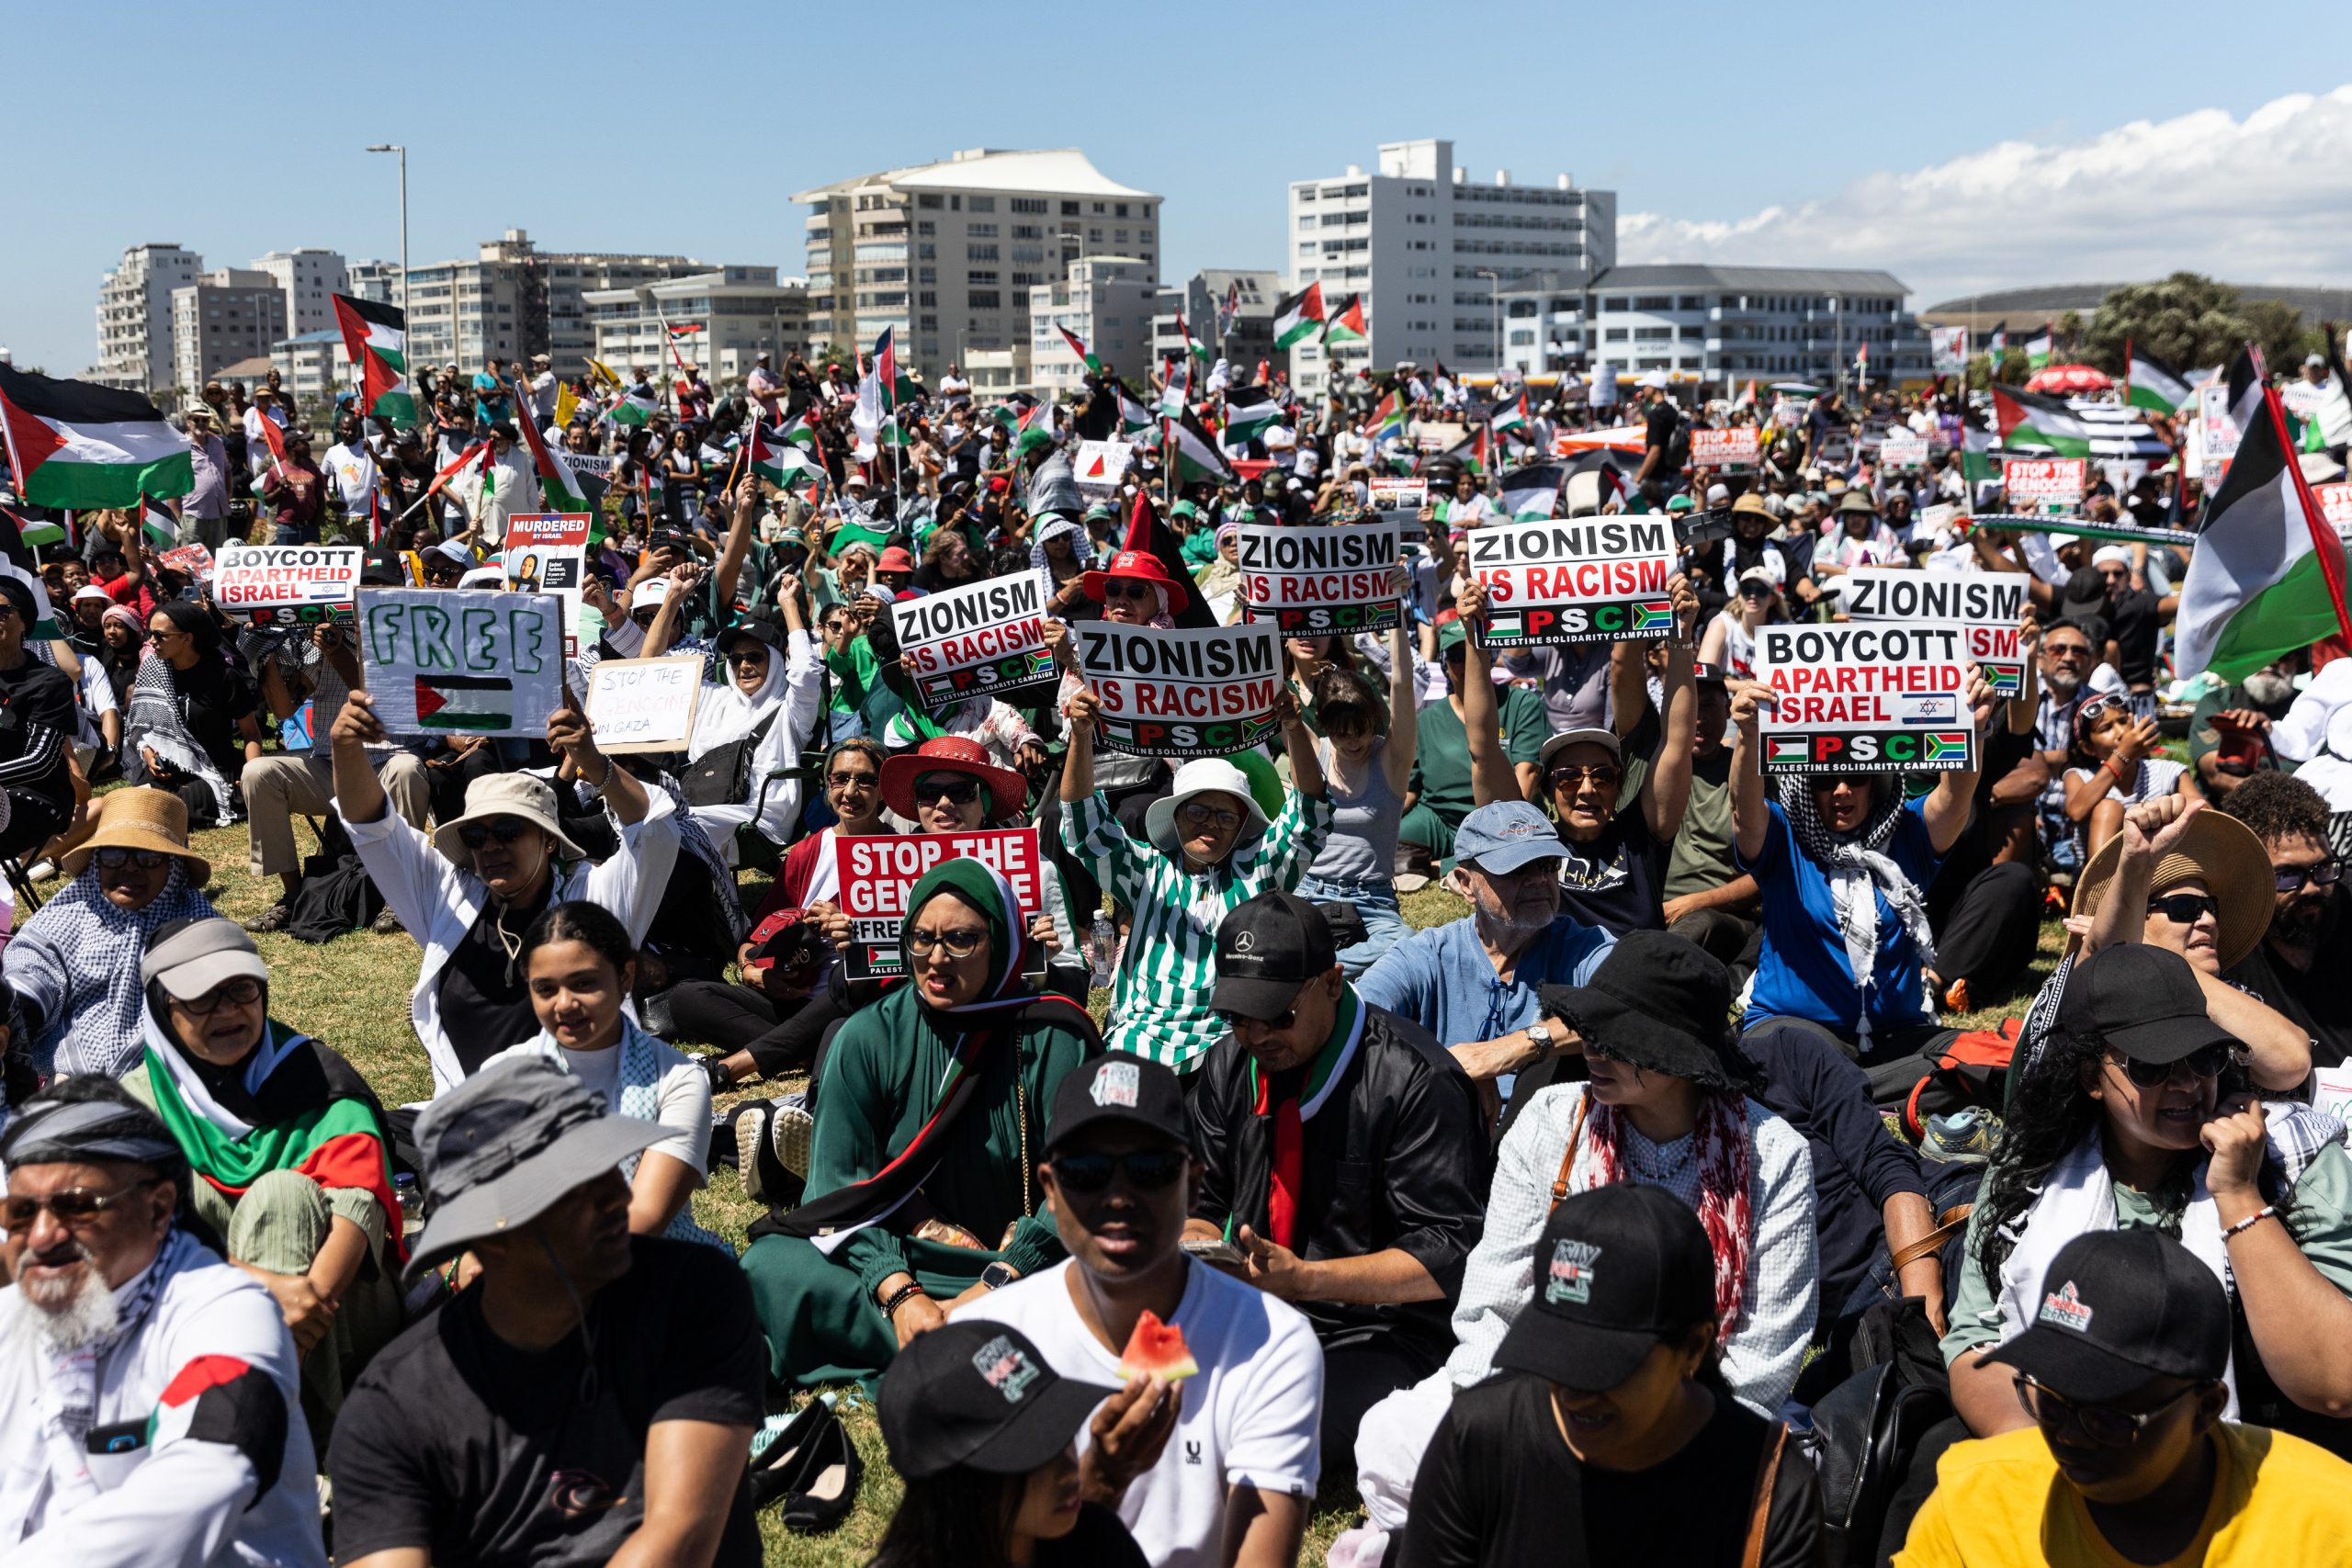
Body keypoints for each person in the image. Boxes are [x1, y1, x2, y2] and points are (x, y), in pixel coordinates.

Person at [328, 1056, 763, 1568]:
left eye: (606, 1168)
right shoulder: (394, 1406)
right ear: (491, 1237)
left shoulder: (692, 1296)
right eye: (575, 1187)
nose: (616, 1198)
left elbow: (680, 1539)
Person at [1944, 943, 2352, 1456]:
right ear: (2093, 1078)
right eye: (2151, 1066)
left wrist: (2240, 1197)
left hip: (2263, 1461)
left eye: (2204, 1056)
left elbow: (2338, 1386)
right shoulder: (2030, 1172)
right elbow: (1977, 1343)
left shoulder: (2293, 1159)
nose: (2186, 1084)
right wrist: (2059, 1457)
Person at [739, 860, 1100, 1390]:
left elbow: (1082, 1179)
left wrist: (1004, 1276)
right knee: (770, 1267)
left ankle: (954, 1340)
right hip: (909, 1258)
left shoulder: (1055, 1036)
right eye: (921, 938)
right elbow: (838, 1187)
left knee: (1113, 1279)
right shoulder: (867, 1037)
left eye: (960, 940)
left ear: (1000, 941)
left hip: (1028, 1265)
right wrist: (901, 1292)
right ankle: (961, 1341)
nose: (935, 958)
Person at [960, 1053, 1324, 1568]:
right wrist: (1098, 1487)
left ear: (1194, 1184)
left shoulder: (1271, 1344)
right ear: (1050, 1189)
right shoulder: (986, 1339)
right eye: (1086, 1172)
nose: (1119, 1197)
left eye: (1150, 1170)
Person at [1185, 891, 1487, 1471]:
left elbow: (1447, 1254)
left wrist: (1304, 1281)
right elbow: (1203, 1200)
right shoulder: (1230, 1065)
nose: (1256, 1034)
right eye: (1237, 1016)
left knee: (1267, 1429)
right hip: (1253, 1305)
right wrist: (1197, 1248)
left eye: (1277, 1014)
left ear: (1331, 981)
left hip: (1380, 1330)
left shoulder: (1416, 1082)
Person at [1399, 1186, 1825, 1568]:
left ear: (1693, 1349)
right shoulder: (1477, 1439)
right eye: (1555, 1352)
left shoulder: (1769, 1491)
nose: (1573, 1393)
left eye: (1604, 1368)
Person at [0, 1079, 328, 1565]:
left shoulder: (225, 1311)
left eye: (75, 1206)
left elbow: (213, 1468)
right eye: (22, 1212)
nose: (43, 1236)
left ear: (157, 1208)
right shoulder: (11, 1321)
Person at [1898, 1230, 2352, 1567]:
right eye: (2051, 1404)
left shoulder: (2328, 1523)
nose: (2068, 1437)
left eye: (2108, 1418)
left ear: (2207, 1407)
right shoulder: (1974, 1504)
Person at [117, 917, 403, 1436]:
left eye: (241, 989)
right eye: (202, 997)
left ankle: (263, 1442)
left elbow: (358, 1207)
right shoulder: (134, 1108)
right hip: (199, 1325)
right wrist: (265, 1290)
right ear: (164, 1009)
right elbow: (133, 1244)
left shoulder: (315, 1077)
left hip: (338, 1315)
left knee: (285, 1197)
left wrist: (303, 1307)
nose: (227, 1011)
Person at [328, 689, 683, 1096]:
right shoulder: (448, 897)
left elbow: (654, 830)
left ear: (550, 841)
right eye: (476, 836)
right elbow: (372, 827)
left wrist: (592, 761)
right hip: (467, 1121)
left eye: (509, 832)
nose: (491, 847)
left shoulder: (595, 905)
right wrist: (345, 746)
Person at [1060, 681, 1330, 1074]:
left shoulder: (1259, 869)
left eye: (1226, 816)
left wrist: (1292, 728)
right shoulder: (1147, 870)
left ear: (1241, 828)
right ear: (1175, 817)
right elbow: (1085, 826)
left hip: (1228, 1043)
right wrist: (1081, 738)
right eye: (1197, 812)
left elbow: (1310, 816)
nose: (1211, 825)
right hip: (1140, 1040)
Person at [1728, 674, 1984, 1057]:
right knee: (1805, 1058)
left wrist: (1973, 728)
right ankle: (1868, 1086)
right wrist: (1749, 736)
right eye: (1826, 779)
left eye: (1857, 776)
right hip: (1795, 1030)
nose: (1842, 790)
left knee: (1974, 1056)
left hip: (1897, 1033)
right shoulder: (1783, 835)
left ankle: (1866, 1085)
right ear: (1805, 784)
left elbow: (1954, 797)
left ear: (1877, 780)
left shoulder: (1908, 832)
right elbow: (1744, 811)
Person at [481, 900, 724, 1247]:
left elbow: (643, 1220)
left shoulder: (677, 1079)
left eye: (583, 983)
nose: (564, 1004)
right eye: (546, 989)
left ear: (625, 976)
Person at [1357, 799, 1615, 1113]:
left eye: (1547, 865)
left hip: (1552, 1137)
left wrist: (1511, 1048)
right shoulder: (1427, 956)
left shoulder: (1582, 948)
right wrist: (1449, 1073)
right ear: (1466, 884)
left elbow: (1638, 1002)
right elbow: (1353, 1021)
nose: (1538, 879)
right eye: (1516, 869)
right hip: (1444, 1131)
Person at [871, 1319, 1150, 1568]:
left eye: (1062, 1432)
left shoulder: (1099, 1543)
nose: (1069, 1467)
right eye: (1034, 1453)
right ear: (958, 1482)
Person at [5, 787, 216, 1084]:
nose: (130, 867)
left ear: (174, 865)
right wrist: (18, 1012)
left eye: (148, 856)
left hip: (169, 1081)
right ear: (96, 861)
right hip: (69, 1080)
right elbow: (33, 965)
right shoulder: (72, 912)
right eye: (114, 855)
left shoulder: (201, 930)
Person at [1293, 621, 1417, 976]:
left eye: (1360, 731)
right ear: (1325, 728)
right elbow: (1272, 691)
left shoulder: (1390, 759)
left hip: (1372, 898)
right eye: (1340, 734)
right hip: (1311, 888)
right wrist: (1261, 617)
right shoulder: (1315, 752)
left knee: (1406, 944)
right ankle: (1326, 971)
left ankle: (1320, 973)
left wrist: (1396, 611)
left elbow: (1402, 685)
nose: (1352, 743)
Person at [2219, 771, 2352, 1066]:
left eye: (2323, 868)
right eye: (2287, 876)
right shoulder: (2219, 938)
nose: (2313, 888)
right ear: (2246, 876)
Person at [129, 599, 260, 828]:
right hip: (168, 772)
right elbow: (145, 728)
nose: (151, 641)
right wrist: (148, 752)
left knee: (158, 812)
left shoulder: (223, 676)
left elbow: (251, 733)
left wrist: (254, 776)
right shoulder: (154, 670)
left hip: (213, 771)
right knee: (131, 806)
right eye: (150, 633)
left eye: (160, 636)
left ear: (187, 638)